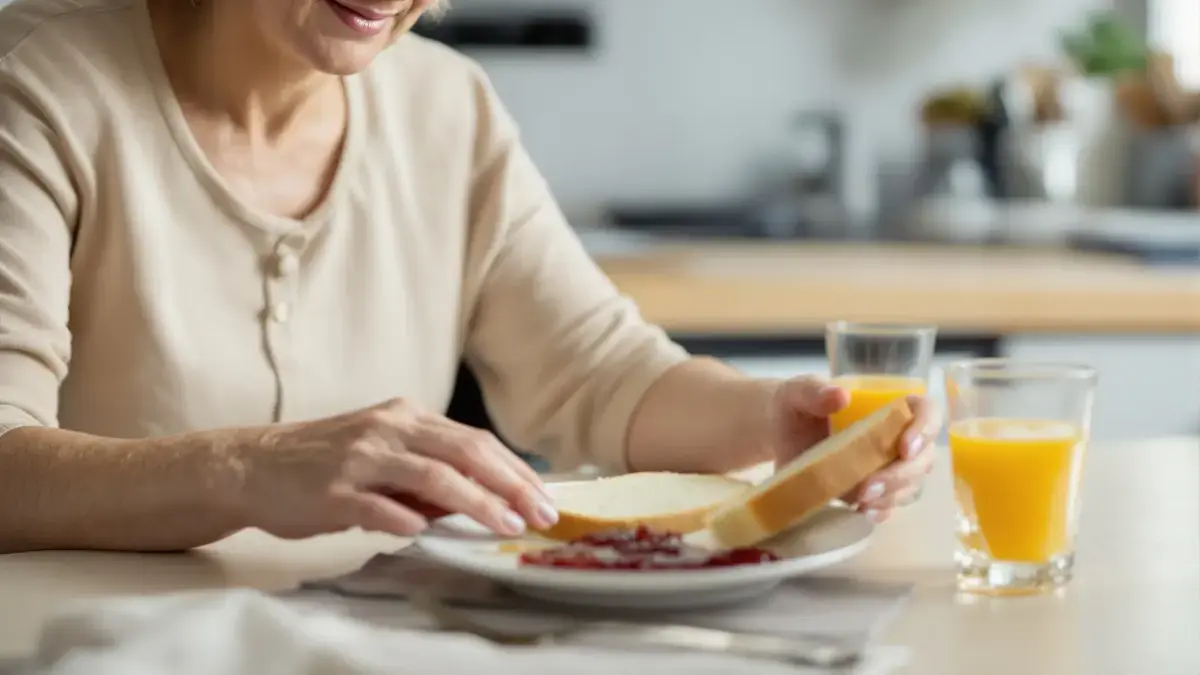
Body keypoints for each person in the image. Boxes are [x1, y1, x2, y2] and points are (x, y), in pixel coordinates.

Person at [0, 0, 939, 554]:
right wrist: (249, 469)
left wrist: (772, 420)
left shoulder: (445, 105)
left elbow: (598, 373)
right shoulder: (37, 88)